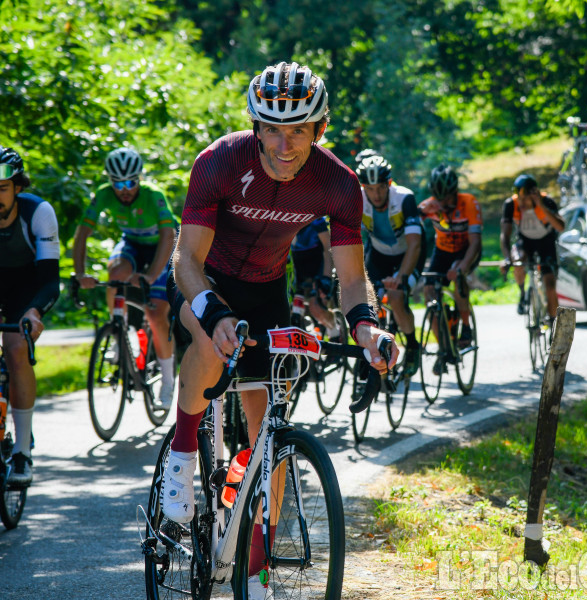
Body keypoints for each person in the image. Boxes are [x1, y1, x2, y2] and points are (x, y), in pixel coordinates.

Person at [161, 60, 396, 596]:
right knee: (211, 343)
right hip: (208, 279)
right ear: (255, 125)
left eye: (298, 131)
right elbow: (185, 261)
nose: (284, 145)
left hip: (268, 290)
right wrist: (213, 311)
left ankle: (255, 564)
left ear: (320, 129)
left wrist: (367, 331)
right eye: (271, 128)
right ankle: (181, 455)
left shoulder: (338, 183)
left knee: (269, 429)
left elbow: (353, 279)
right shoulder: (219, 161)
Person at [73, 148, 177, 408]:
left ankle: (167, 381)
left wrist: (151, 275)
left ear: (139, 179)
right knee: (116, 274)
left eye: (131, 182)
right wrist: (80, 272)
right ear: (110, 182)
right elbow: (82, 233)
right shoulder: (103, 195)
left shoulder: (154, 196)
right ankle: (118, 329)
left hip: (165, 243)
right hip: (132, 242)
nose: (124, 189)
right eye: (118, 183)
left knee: (155, 315)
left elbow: (168, 236)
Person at [0, 146, 60, 484]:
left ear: (18, 187)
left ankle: (22, 451)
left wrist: (34, 312)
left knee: (16, 348)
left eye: (2, 188)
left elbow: (51, 280)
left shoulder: (38, 212)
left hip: (26, 287)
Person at [356, 153, 425, 376]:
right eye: (370, 189)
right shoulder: (357, 198)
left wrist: (400, 277)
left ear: (389, 184)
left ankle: (413, 346)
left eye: (380, 188)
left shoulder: (404, 198)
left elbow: (415, 244)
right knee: (366, 299)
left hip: (408, 254)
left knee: (396, 296)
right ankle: (369, 349)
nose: (375, 195)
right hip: (379, 254)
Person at [418, 164, 482, 353]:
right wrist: (421, 213)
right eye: (439, 197)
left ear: (455, 191)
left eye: (446, 196)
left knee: (459, 276)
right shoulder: (429, 205)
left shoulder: (469, 203)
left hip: (467, 249)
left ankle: (466, 327)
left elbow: (476, 242)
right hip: (442, 250)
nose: (443, 202)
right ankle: (444, 348)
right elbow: (408, 228)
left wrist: (462, 267)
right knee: (429, 291)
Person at [500, 173, 565, 321]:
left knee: (549, 285)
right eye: (519, 198)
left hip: (546, 243)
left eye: (525, 199)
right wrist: (507, 258)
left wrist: (540, 204)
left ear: (534, 194)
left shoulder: (546, 201)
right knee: (518, 260)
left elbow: (560, 226)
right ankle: (523, 293)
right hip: (525, 242)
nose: (521, 203)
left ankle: (553, 321)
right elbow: (505, 235)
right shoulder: (511, 204)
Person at [290, 215, 338, 335]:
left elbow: (328, 248)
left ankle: (334, 333)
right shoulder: (282, 217)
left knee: (316, 308)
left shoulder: (315, 219)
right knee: (291, 310)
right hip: (296, 265)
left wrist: (326, 279)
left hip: (317, 263)